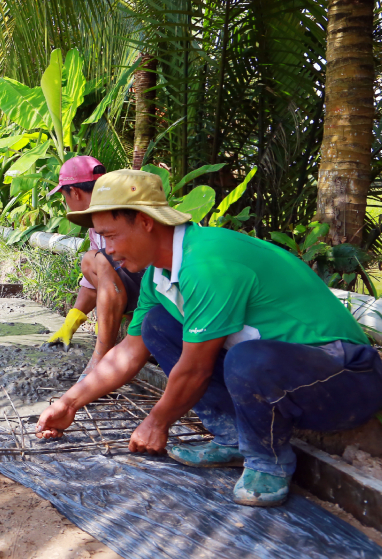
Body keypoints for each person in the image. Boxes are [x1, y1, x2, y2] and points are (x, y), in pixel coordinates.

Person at [34, 169, 382, 507]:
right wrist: (69, 403)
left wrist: (156, 422)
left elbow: (196, 369)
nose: (106, 250)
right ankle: (233, 436)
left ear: (145, 221)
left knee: (247, 361)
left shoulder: (207, 263)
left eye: (111, 235)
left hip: (348, 379)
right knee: (158, 324)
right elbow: (129, 350)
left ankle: (267, 462)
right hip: (287, 375)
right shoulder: (160, 273)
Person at [44, 156, 144, 378]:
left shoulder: (114, 214)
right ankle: (134, 336)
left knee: (92, 259)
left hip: (151, 285)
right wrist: (71, 322)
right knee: (94, 260)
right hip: (143, 288)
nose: (66, 202)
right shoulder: (96, 221)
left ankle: (105, 356)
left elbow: (104, 268)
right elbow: (96, 278)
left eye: (64, 196)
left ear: (75, 193)